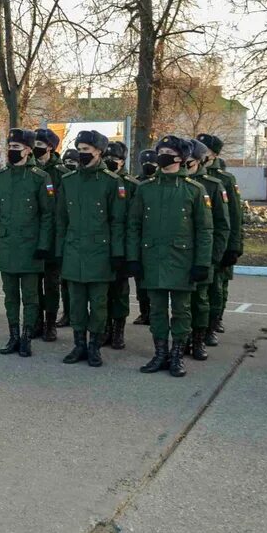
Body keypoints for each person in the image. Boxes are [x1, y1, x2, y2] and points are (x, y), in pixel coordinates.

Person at [125, 136, 214, 377]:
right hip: (152, 258)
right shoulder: (145, 188)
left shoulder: (195, 190)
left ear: (180, 158)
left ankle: (177, 355)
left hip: (182, 261)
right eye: (159, 151)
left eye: (167, 152)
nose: (161, 155)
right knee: (156, 310)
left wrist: (201, 263)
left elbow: (205, 231)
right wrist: (133, 259)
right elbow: (133, 226)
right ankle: (160, 353)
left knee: (181, 311)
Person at [56, 131, 127, 366]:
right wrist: (58, 251)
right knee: (76, 303)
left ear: (99, 152)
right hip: (73, 250)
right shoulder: (68, 181)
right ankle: (79, 345)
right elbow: (61, 220)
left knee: (98, 304)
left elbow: (118, 221)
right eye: (80, 148)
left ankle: (95, 346)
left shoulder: (111, 182)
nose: (82, 153)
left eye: (87, 149)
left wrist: (117, 253)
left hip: (100, 252)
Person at [0, 129, 54, 357]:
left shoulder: (40, 177)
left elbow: (47, 215)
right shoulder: (1, 177)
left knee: (31, 296)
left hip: (30, 246)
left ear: (27, 150)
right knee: (10, 295)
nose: (11, 152)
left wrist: (44, 244)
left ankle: (27, 337)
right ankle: (13, 335)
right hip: (7, 245)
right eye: (10, 147)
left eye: (16, 148)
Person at [182, 139, 230, 361]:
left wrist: (216, 256)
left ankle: (199, 339)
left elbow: (223, 224)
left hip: (204, 253)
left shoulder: (213, 185)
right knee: (182, 303)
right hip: (179, 254)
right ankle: (181, 340)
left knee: (201, 300)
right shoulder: (177, 181)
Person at [196, 133, 243, 339]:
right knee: (201, 291)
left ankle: (213, 324)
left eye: (204, 150)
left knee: (217, 287)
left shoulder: (224, 179)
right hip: (199, 243)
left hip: (219, 241)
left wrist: (233, 246)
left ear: (213, 155)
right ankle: (199, 328)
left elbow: (234, 215)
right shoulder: (190, 176)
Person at [100, 140, 135, 348]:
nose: (110, 162)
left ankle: (118, 330)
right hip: (102, 245)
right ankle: (105, 328)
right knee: (102, 292)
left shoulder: (131, 185)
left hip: (121, 246)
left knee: (120, 292)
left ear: (123, 162)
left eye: (115, 159)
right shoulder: (103, 181)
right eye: (107, 159)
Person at [32, 128, 66, 341]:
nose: (35, 147)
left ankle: (50, 323)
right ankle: (35, 322)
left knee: (51, 284)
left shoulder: (61, 173)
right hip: (33, 236)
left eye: (39, 144)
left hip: (53, 238)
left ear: (50, 147)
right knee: (33, 283)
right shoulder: (29, 169)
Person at [131, 149, 159, 326]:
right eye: (145, 164)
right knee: (141, 281)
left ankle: (156, 313)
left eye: (153, 164)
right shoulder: (137, 183)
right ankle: (145, 312)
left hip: (156, 238)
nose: (149, 167)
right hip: (141, 240)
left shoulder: (160, 183)